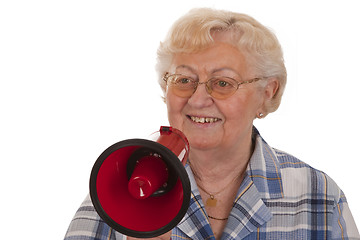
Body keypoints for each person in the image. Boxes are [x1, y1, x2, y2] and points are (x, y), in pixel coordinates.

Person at [64, 8, 359, 240]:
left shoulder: (319, 197)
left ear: (267, 93)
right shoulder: (114, 194)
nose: (198, 99)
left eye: (222, 83)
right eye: (184, 80)